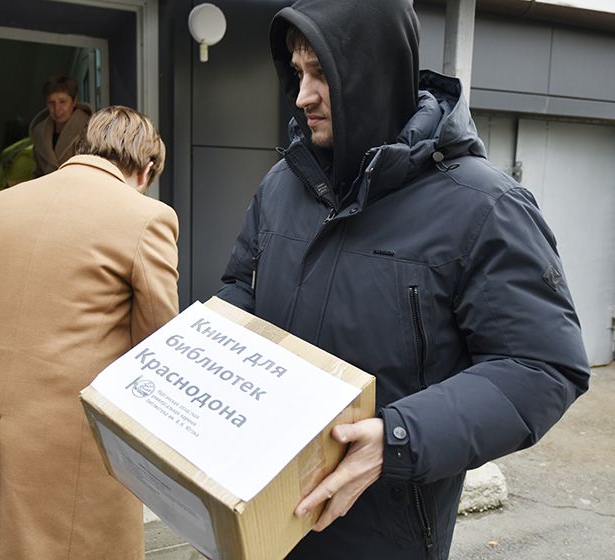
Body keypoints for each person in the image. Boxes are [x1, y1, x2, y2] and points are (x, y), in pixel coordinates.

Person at [217, 0, 591, 558]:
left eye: (321, 73)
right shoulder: (281, 184)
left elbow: (541, 366)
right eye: (297, 73)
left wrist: (398, 437)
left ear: (373, 72)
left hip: (383, 533)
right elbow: (240, 289)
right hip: (261, 514)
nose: (302, 96)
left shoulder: (485, 206)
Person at [0, 106, 179, 560]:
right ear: (147, 167)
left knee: (14, 545)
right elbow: (157, 345)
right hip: (78, 438)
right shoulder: (147, 217)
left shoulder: (1, 205)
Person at [29, 75, 92, 176]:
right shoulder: (39, 133)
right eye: (51, 103)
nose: (57, 108)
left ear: (74, 102)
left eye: (63, 102)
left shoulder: (90, 129)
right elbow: (38, 172)